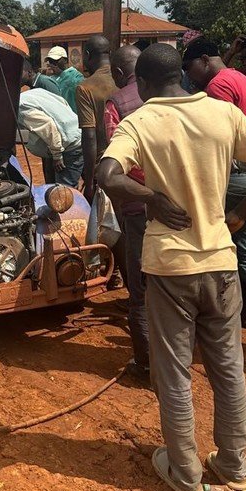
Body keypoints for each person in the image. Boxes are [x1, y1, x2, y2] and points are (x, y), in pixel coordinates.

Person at [97, 44, 246, 491]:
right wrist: (239, 214)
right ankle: (233, 466)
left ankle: (184, 473)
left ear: (141, 84)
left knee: (174, 372)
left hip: (169, 267)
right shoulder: (222, 114)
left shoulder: (140, 121)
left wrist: (153, 199)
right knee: (227, 369)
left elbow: (107, 174)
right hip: (220, 261)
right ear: (180, 77)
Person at [182, 37, 246, 326]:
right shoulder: (237, 76)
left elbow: (217, 135)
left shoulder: (217, 86)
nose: (189, 75)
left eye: (189, 68)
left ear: (204, 60)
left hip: (234, 174)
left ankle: (231, 311)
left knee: (223, 245)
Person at [103, 45, 149, 378]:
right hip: (185, 204)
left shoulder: (117, 103)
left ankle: (146, 364)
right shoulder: (185, 100)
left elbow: (116, 162)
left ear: (119, 73)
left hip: (138, 205)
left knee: (142, 289)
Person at [19, 62, 83, 188]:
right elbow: (62, 102)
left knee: (65, 192)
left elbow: (48, 126)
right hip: (76, 136)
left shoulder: (21, 105)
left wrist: (57, 155)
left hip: (69, 146)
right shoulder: (33, 93)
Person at [76, 35, 117, 202]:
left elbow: (89, 135)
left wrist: (90, 181)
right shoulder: (125, 78)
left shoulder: (86, 87)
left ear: (87, 55)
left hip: (104, 165)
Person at [44, 46, 84, 112]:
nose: (53, 64)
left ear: (65, 60)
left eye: (56, 61)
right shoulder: (51, 78)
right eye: (51, 61)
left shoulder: (75, 76)